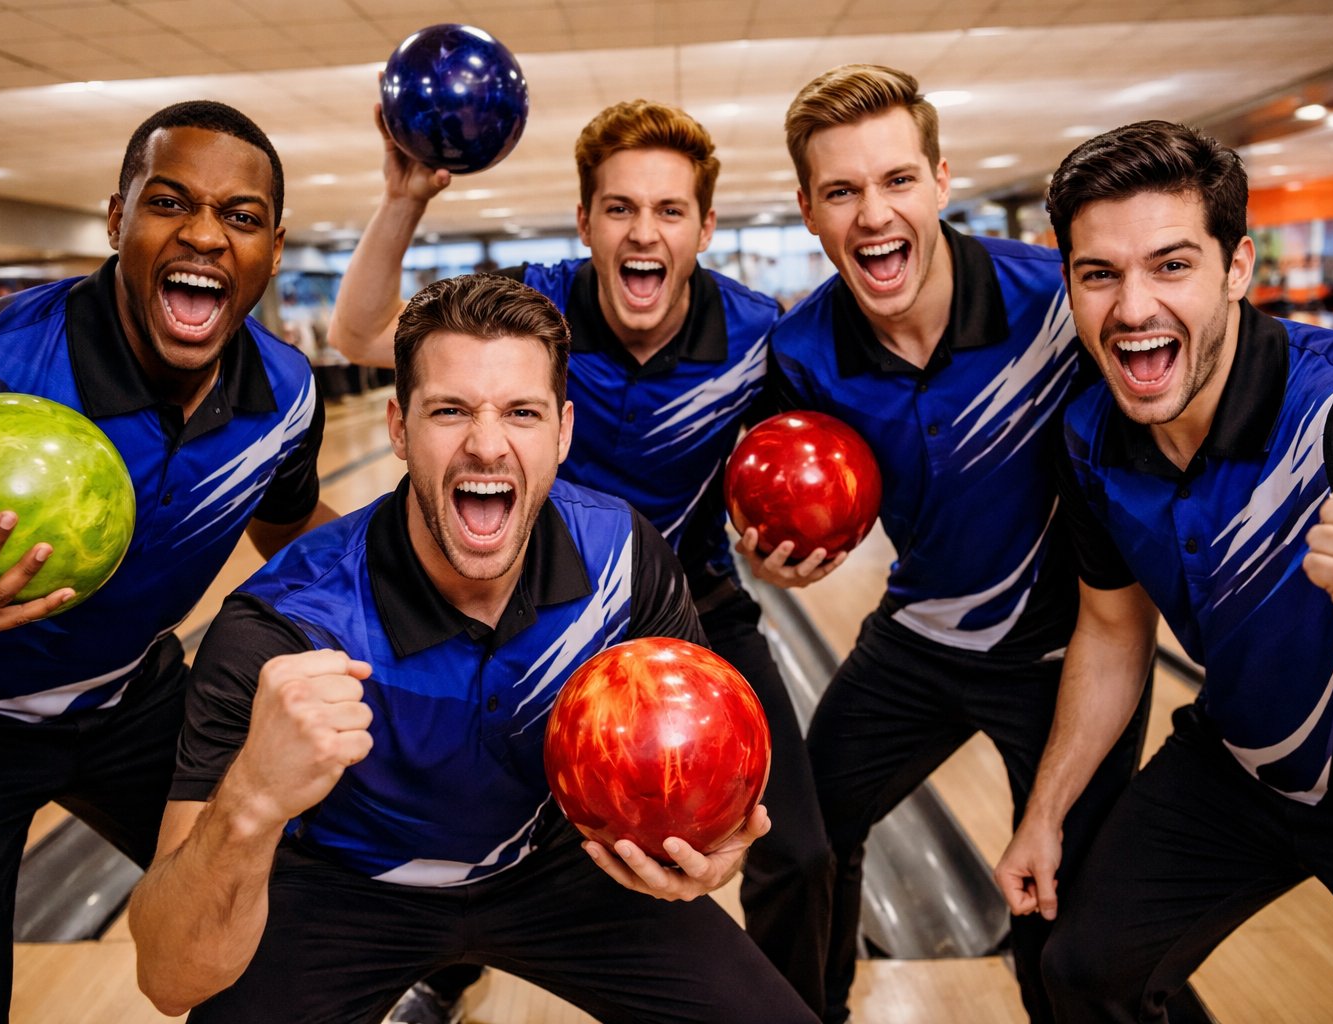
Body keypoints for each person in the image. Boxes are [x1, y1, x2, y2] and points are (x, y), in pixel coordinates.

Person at [126, 273, 820, 1024]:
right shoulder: (283, 626)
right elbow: (169, 979)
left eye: (522, 413)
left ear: (562, 432)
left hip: (558, 865)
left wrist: (712, 851)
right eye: (449, 410)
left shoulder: (625, 557)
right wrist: (253, 800)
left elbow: (701, 786)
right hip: (345, 885)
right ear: (398, 427)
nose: (487, 446)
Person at [328, 98, 834, 1020]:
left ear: (705, 227)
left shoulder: (758, 336)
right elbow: (358, 339)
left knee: (798, 852)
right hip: (531, 620)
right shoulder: (534, 305)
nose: (644, 232)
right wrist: (403, 202)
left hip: (693, 616)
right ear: (586, 221)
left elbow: (809, 459)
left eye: (670, 211)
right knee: (468, 814)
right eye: (620, 208)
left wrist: (805, 546)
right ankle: (442, 974)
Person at [0, 100, 335, 1022]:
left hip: (134, 699)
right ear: (117, 218)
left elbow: (297, 535)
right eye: (170, 203)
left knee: (286, 920)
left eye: (240, 218)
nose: (204, 234)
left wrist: (438, 570)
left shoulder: (285, 395)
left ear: (274, 248)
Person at [754, 65, 1155, 1024]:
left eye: (896, 180)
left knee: (1064, 932)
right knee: (799, 842)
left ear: (941, 181)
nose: (872, 212)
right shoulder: (804, 353)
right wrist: (769, 555)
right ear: (809, 210)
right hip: (918, 640)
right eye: (841, 190)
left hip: (1069, 659)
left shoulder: (1057, 307)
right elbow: (777, 494)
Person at [995, 119, 1333, 1022]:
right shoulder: (1091, 436)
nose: (1133, 307)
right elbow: (1110, 631)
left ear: (1238, 268)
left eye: (1171, 265)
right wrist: (1045, 811)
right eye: (1099, 274)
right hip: (1240, 764)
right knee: (1083, 971)